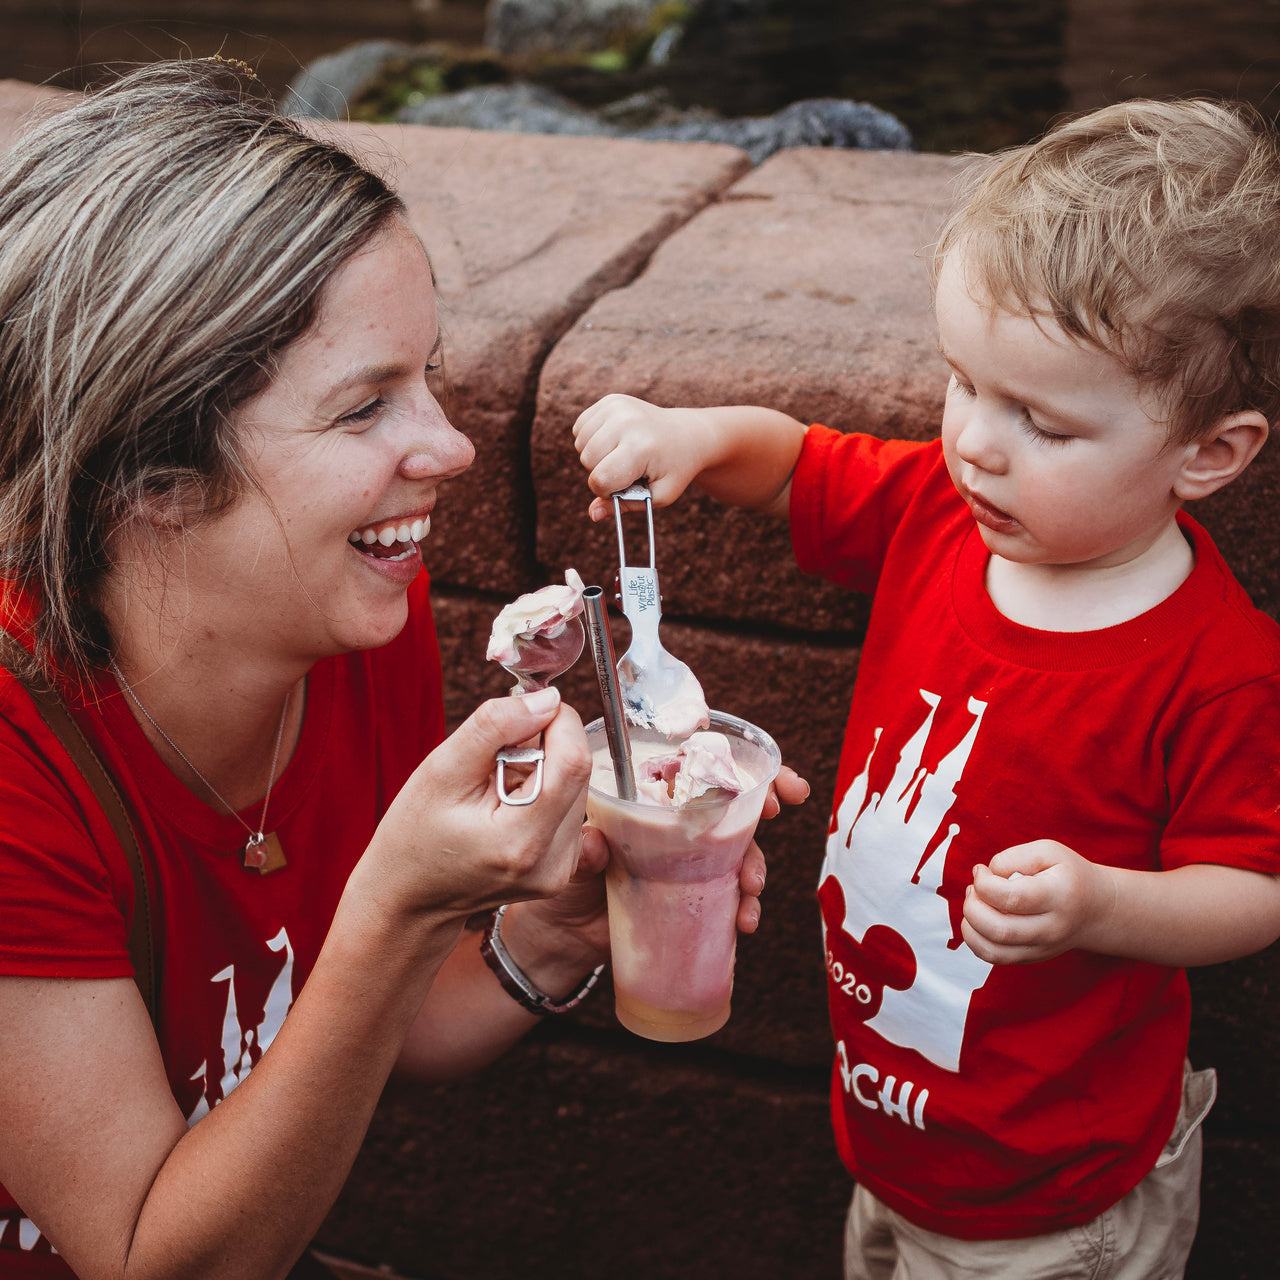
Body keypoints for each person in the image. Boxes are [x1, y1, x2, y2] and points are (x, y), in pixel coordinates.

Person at [0, 62, 802, 1279]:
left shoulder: (350, 614)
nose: (451, 444)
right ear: (149, 479)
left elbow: (391, 1019)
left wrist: (550, 931)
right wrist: (392, 901)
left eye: (425, 375)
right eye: (365, 406)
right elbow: (156, 1260)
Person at [573, 97, 1280, 1279]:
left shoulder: (1214, 668)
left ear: (1207, 452)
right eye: (961, 384)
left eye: (1042, 423)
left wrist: (1104, 903)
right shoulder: (937, 517)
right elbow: (799, 463)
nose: (976, 444)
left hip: (1053, 1193)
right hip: (897, 1125)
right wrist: (691, 432)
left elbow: (1252, 885)